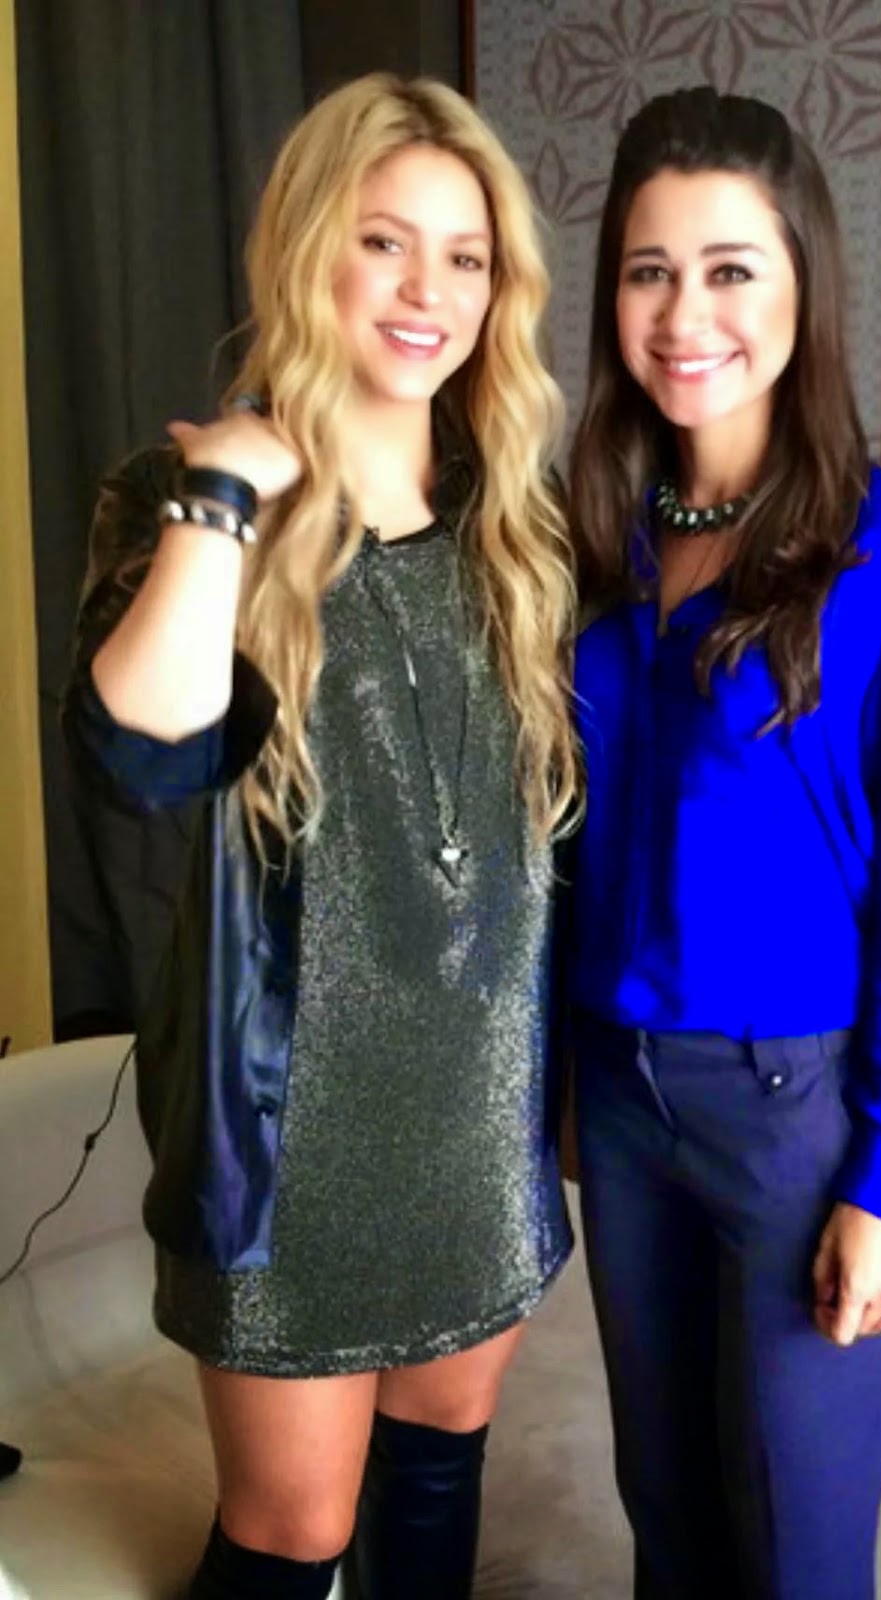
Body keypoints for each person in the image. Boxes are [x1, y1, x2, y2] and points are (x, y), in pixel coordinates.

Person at [63, 73, 579, 1600]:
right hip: (291, 1129)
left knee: (440, 1465)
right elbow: (146, 755)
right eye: (384, 243)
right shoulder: (184, 495)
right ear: (306, 248)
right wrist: (226, 496)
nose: (430, 293)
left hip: (477, 1101)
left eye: (466, 257)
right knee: (293, 1533)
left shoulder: (518, 513)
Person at [565, 88, 881, 1600]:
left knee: (799, 1537)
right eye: (649, 270)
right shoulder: (600, 532)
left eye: (731, 268)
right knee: (668, 1508)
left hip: (790, 1107)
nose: (685, 314)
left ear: (802, 283)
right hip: (620, 1102)